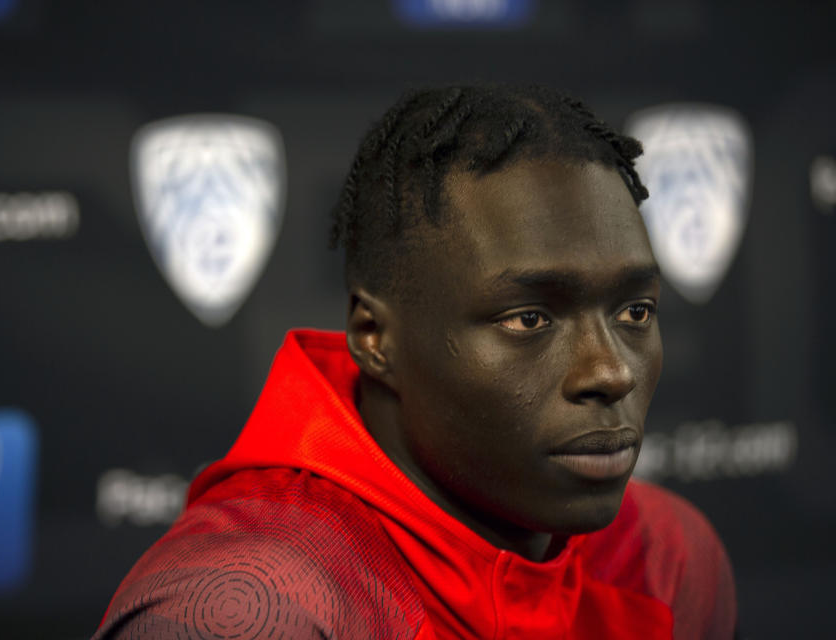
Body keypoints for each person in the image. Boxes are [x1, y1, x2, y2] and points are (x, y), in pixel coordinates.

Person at [93, 85, 737, 639]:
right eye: (529, 319)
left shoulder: (671, 556)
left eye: (635, 313)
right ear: (374, 337)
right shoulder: (241, 613)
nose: (612, 372)